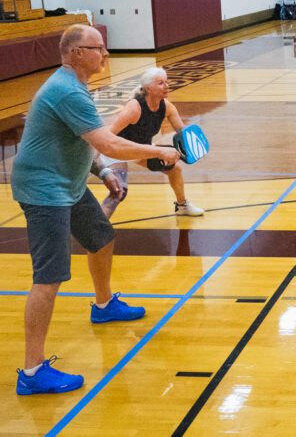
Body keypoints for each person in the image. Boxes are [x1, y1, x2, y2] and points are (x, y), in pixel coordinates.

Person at [11, 25, 180, 395]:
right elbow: (110, 143)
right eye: (97, 48)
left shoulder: (74, 87)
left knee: (101, 237)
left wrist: (101, 171)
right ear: (75, 53)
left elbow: (81, 142)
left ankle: (103, 305)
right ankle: (32, 371)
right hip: (44, 190)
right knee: (49, 277)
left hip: (67, 182)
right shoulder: (66, 90)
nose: (104, 54)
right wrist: (159, 151)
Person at [99, 67, 205, 218]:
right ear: (149, 88)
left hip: (142, 150)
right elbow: (109, 136)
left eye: (166, 82)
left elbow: (182, 132)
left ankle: (182, 206)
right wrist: (97, 159)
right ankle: (98, 227)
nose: (166, 86)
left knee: (175, 170)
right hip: (118, 150)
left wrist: (194, 145)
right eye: (161, 83)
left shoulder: (166, 106)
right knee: (119, 192)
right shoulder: (134, 108)